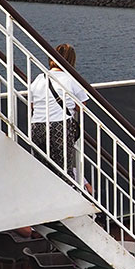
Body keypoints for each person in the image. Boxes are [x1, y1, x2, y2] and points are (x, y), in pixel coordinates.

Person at [28, 43, 89, 176]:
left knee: (41, 169)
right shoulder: (71, 79)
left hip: (37, 126)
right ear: (71, 61)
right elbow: (82, 105)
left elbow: (32, 104)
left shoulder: (39, 78)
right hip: (60, 126)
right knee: (64, 170)